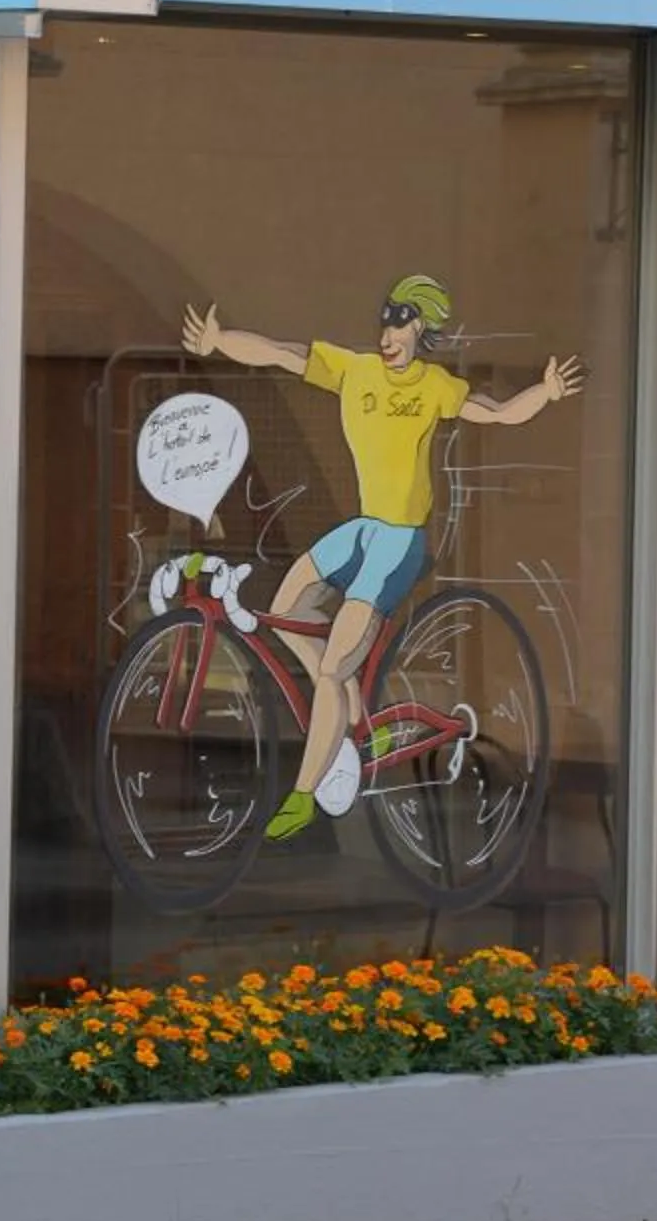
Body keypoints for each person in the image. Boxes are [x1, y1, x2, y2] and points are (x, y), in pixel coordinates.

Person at [180, 275, 584, 838]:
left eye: (400, 323)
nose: (388, 334)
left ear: (421, 328)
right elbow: (283, 354)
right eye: (385, 322)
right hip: (365, 529)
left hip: (400, 541)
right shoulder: (356, 371)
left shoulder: (435, 386)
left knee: (330, 665)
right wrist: (219, 341)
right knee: (288, 606)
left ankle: (303, 795)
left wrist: (545, 394)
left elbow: (492, 413)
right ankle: (350, 711)